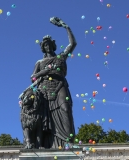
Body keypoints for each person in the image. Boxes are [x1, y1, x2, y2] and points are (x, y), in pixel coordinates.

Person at [30, 17, 77, 148]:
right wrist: (44, 72)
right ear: (43, 48)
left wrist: (66, 27)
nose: (47, 46)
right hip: (44, 89)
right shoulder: (39, 63)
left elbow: (73, 44)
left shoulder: (61, 57)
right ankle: (44, 143)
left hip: (60, 85)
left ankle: (69, 142)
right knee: (45, 117)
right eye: (45, 45)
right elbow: (32, 78)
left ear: (53, 45)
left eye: (49, 44)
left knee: (65, 109)